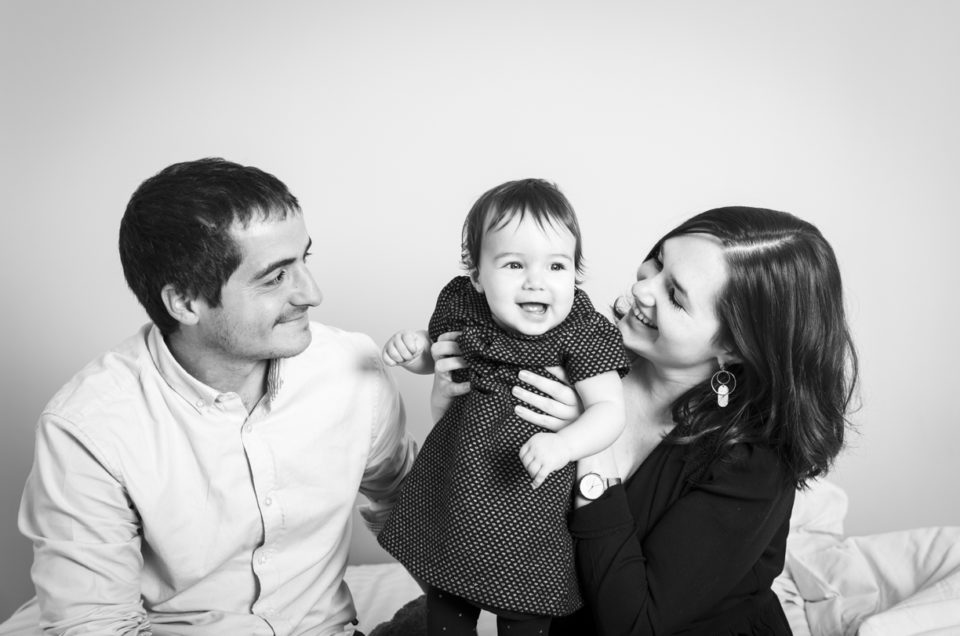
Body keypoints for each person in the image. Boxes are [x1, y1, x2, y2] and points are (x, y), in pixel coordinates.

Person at [0, 158, 417, 636]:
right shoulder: (88, 428)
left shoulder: (352, 367)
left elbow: (405, 508)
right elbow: (96, 625)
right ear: (185, 302)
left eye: (305, 259)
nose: (312, 294)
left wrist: (460, 437)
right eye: (275, 277)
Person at [429, 206, 859, 635]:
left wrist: (590, 442)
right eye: (657, 260)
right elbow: (490, 502)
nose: (643, 288)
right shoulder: (587, 357)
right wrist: (449, 409)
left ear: (734, 346)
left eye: (675, 295)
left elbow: (633, 624)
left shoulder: (754, 461)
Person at [376, 179, 629, 635]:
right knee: (445, 606)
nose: (537, 281)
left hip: (527, 511)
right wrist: (415, 351)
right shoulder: (465, 307)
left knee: (525, 613)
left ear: (575, 272)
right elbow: (442, 357)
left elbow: (610, 410)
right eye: (514, 263)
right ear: (476, 274)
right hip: (455, 495)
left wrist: (564, 444)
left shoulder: (580, 331)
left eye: (556, 265)